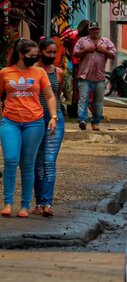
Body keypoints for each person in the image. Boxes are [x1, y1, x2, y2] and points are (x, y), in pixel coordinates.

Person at [0, 39, 58, 218]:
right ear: (21, 54)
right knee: (10, 159)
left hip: (34, 122)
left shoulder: (40, 72)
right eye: (31, 56)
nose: (34, 59)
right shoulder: (5, 72)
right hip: (10, 121)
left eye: (36, 56)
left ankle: (25, 205)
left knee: (27, 164)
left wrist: (54, 117)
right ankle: (8, 203)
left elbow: (49, 96)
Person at [32, 38, 65, 218]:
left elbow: (55, 96)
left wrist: (53, 115)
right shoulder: (32, 71)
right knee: (36, 163)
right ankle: (39, 202)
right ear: (40, 52)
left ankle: (47, 203)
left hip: (55, 119)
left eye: (55, 53)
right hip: (34, 119)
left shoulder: (58, 73)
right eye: (49, 52)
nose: (52, 56)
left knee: (49, 161)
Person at [73, 21, 116, 131]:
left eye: (96, 29)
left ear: (99, 30)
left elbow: (113, 55)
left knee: (98, 101)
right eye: (92, 29)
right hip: (84, 76)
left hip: (99, 77)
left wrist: (104, 50)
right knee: (83, 99)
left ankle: (96, 122)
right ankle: (82, 120)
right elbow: (75, 53)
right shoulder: (82, 41)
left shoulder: (106, 42)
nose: (94, 31)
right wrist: (85, 50)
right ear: (89, 30)